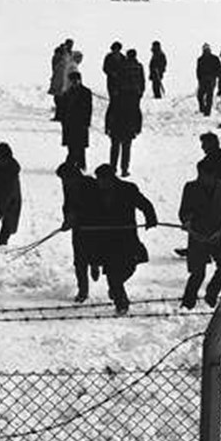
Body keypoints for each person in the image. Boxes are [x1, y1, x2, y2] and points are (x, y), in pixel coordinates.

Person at [91, 164, 157, 315]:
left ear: (110, 178)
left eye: (102, 180)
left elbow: (144, 204)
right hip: (107, 240)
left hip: (126, 238)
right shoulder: (96, 192)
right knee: (113, 274)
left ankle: (115, 289)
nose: (99, 183)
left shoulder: (128, 189)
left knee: (128, 268)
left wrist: (151, 218)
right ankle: (121, 303)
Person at [179, 160, 221, 309]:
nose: (202, 178)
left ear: (214, 175)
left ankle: (211, 294)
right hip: (198, 236)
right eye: (201, 175)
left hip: (219, 237)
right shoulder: (191, 187)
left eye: (206, 175)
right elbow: (184, 211)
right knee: (198, 273)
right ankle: (188, 302)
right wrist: (188, 222)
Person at [56, 162, 101, 303]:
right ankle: (83, 291)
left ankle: (95, 264)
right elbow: (67, 205)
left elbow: (98, 206)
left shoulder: (91, 185)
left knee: (95, 253)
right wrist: (67, 220)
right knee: (79, 261)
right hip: (79, 229)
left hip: (94, 228)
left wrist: (79, 217)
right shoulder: (68, 186)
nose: (63, 182)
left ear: (73, 176)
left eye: (65, 179)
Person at [110, 48, 144, 177]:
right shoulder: (139, 66)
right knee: (126, 147)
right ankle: (124, 169)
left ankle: (113, 168)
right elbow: (142, 81)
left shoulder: (121, 67)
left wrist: (108, 125)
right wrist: (137, 127)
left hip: (117, 122)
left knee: (115, 147)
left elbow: (111, 109)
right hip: (130, 118)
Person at [61, 70, 92, 170]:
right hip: (69, 124)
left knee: (80, 148)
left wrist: (86, 122)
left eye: (76, 80)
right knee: (71, 147)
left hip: (80, 123)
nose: (74, 82)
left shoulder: (85, 92)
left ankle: (80, 166)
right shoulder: (67, 93)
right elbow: (63, 109)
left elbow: (88, 109)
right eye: (72, 80)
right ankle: (73, 166)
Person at [49, 38, 74, 121]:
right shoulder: (62, 54)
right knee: (60, 99)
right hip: (60, 79)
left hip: (64, 79)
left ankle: (61, 115)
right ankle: (60, 115)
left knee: (62, 99)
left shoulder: (68, 54)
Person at [102, 41, 124, 133]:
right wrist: (111, 73)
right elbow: (105, 68)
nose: (116, 51)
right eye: (115, 49)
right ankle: (108, 125)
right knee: (112, 103)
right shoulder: (108, 57)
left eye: (117, 49)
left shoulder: (123, 58)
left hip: (121, 84)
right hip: (111, 82)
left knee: (119, 104)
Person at [196, 43, 221, 116]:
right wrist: (199, 79)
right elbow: (198, 70)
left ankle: (207, 112)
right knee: (200, 95)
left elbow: (218, 69)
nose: (206, 51)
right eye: (204, 49)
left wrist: (214, 76)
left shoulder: (215, 58)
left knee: (209, 96)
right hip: (203, 80)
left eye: (207, 49)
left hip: (211, 80)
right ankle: (203, 109)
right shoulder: (200, 59)